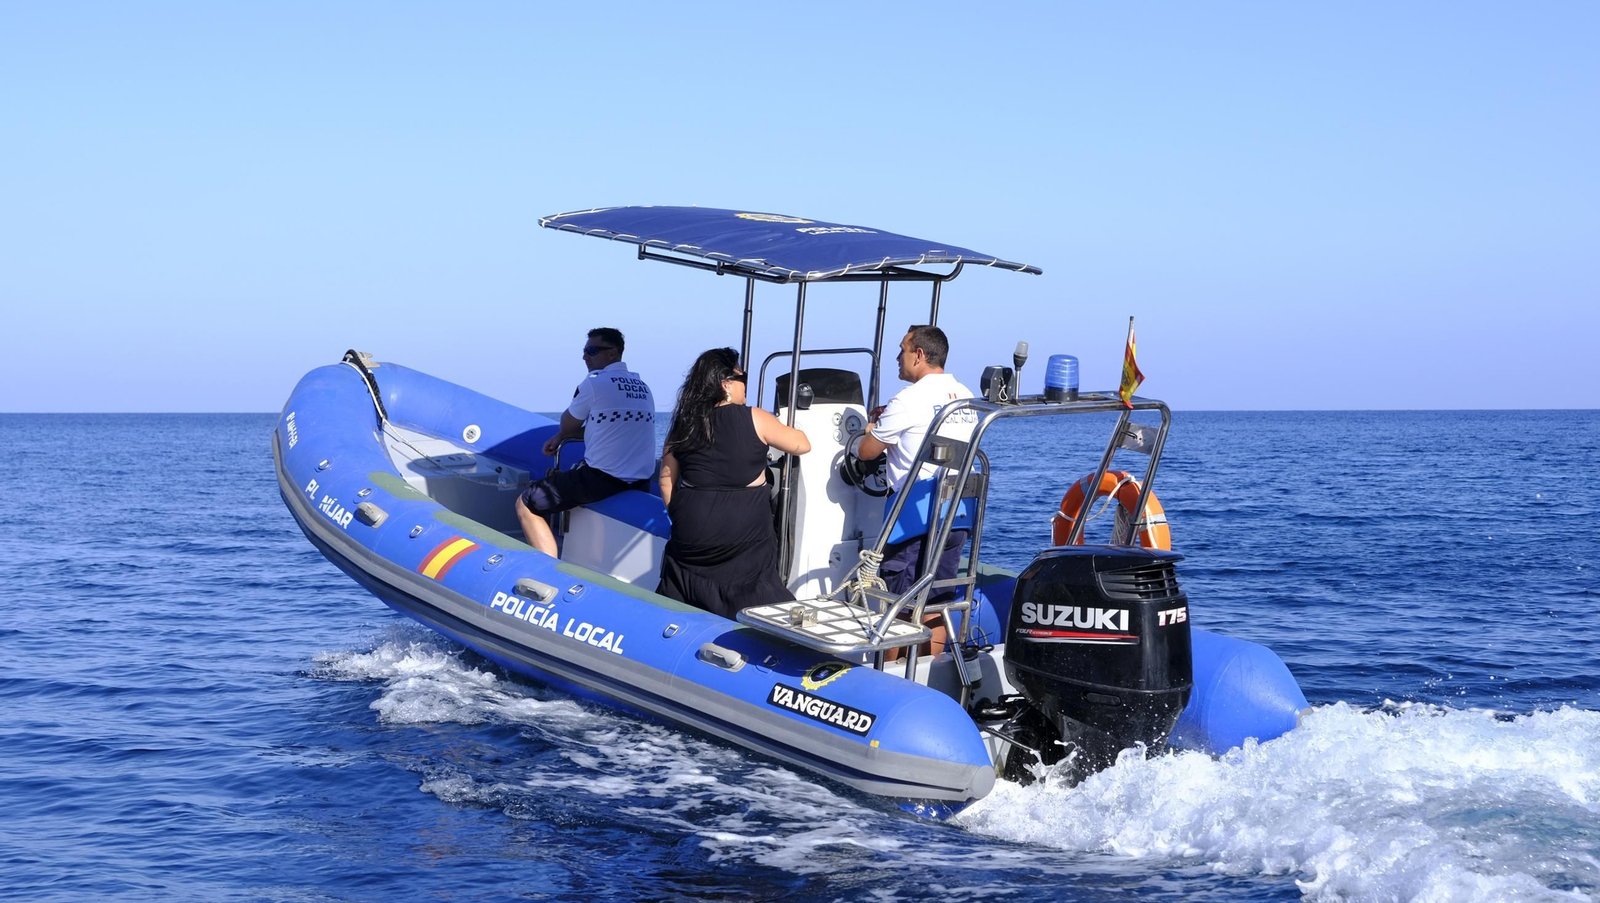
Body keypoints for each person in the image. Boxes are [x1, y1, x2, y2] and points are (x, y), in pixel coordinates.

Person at [656, 348, 811, 618]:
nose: (745, 386)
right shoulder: (755, 417)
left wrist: (681, 516)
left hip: (691, 532)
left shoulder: (684, 423)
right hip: (742, 534)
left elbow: (666, 481)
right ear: (726, 384)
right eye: (743, 377)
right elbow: (801, 444)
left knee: (682, 574)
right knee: (756, 578)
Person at [855, 325, 977, 652]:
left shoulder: (908, 399)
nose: (898, 357)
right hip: (956, 514)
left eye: (902, 350)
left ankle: (892, 675)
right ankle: (929, 674)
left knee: (896, 604)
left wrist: (871, 428)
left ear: (919, 355)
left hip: (913, 520)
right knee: (936, 600)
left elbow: (867, 452)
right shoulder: (964, 395)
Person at [515, 328, 656, 557]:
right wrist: (562, 438)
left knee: (526, 502)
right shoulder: (643, 388)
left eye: (591, 350)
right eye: (584, 351)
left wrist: (562, 432)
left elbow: (567, 425)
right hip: (639, 481)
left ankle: (549, 569)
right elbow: (612, 427)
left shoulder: (595, 383)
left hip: (602, 479)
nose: (585, 357)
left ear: (612, 353)